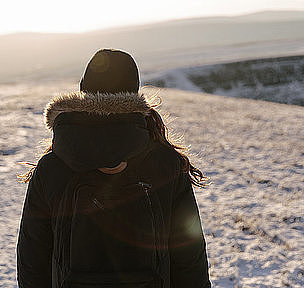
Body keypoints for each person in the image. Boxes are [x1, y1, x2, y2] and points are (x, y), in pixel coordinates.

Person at [17, 49, 211, 288]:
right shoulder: (165, 163)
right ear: (135, 95)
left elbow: (33, 259)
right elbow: (189, 257)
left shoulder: (52, 167)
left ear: (83, 93)